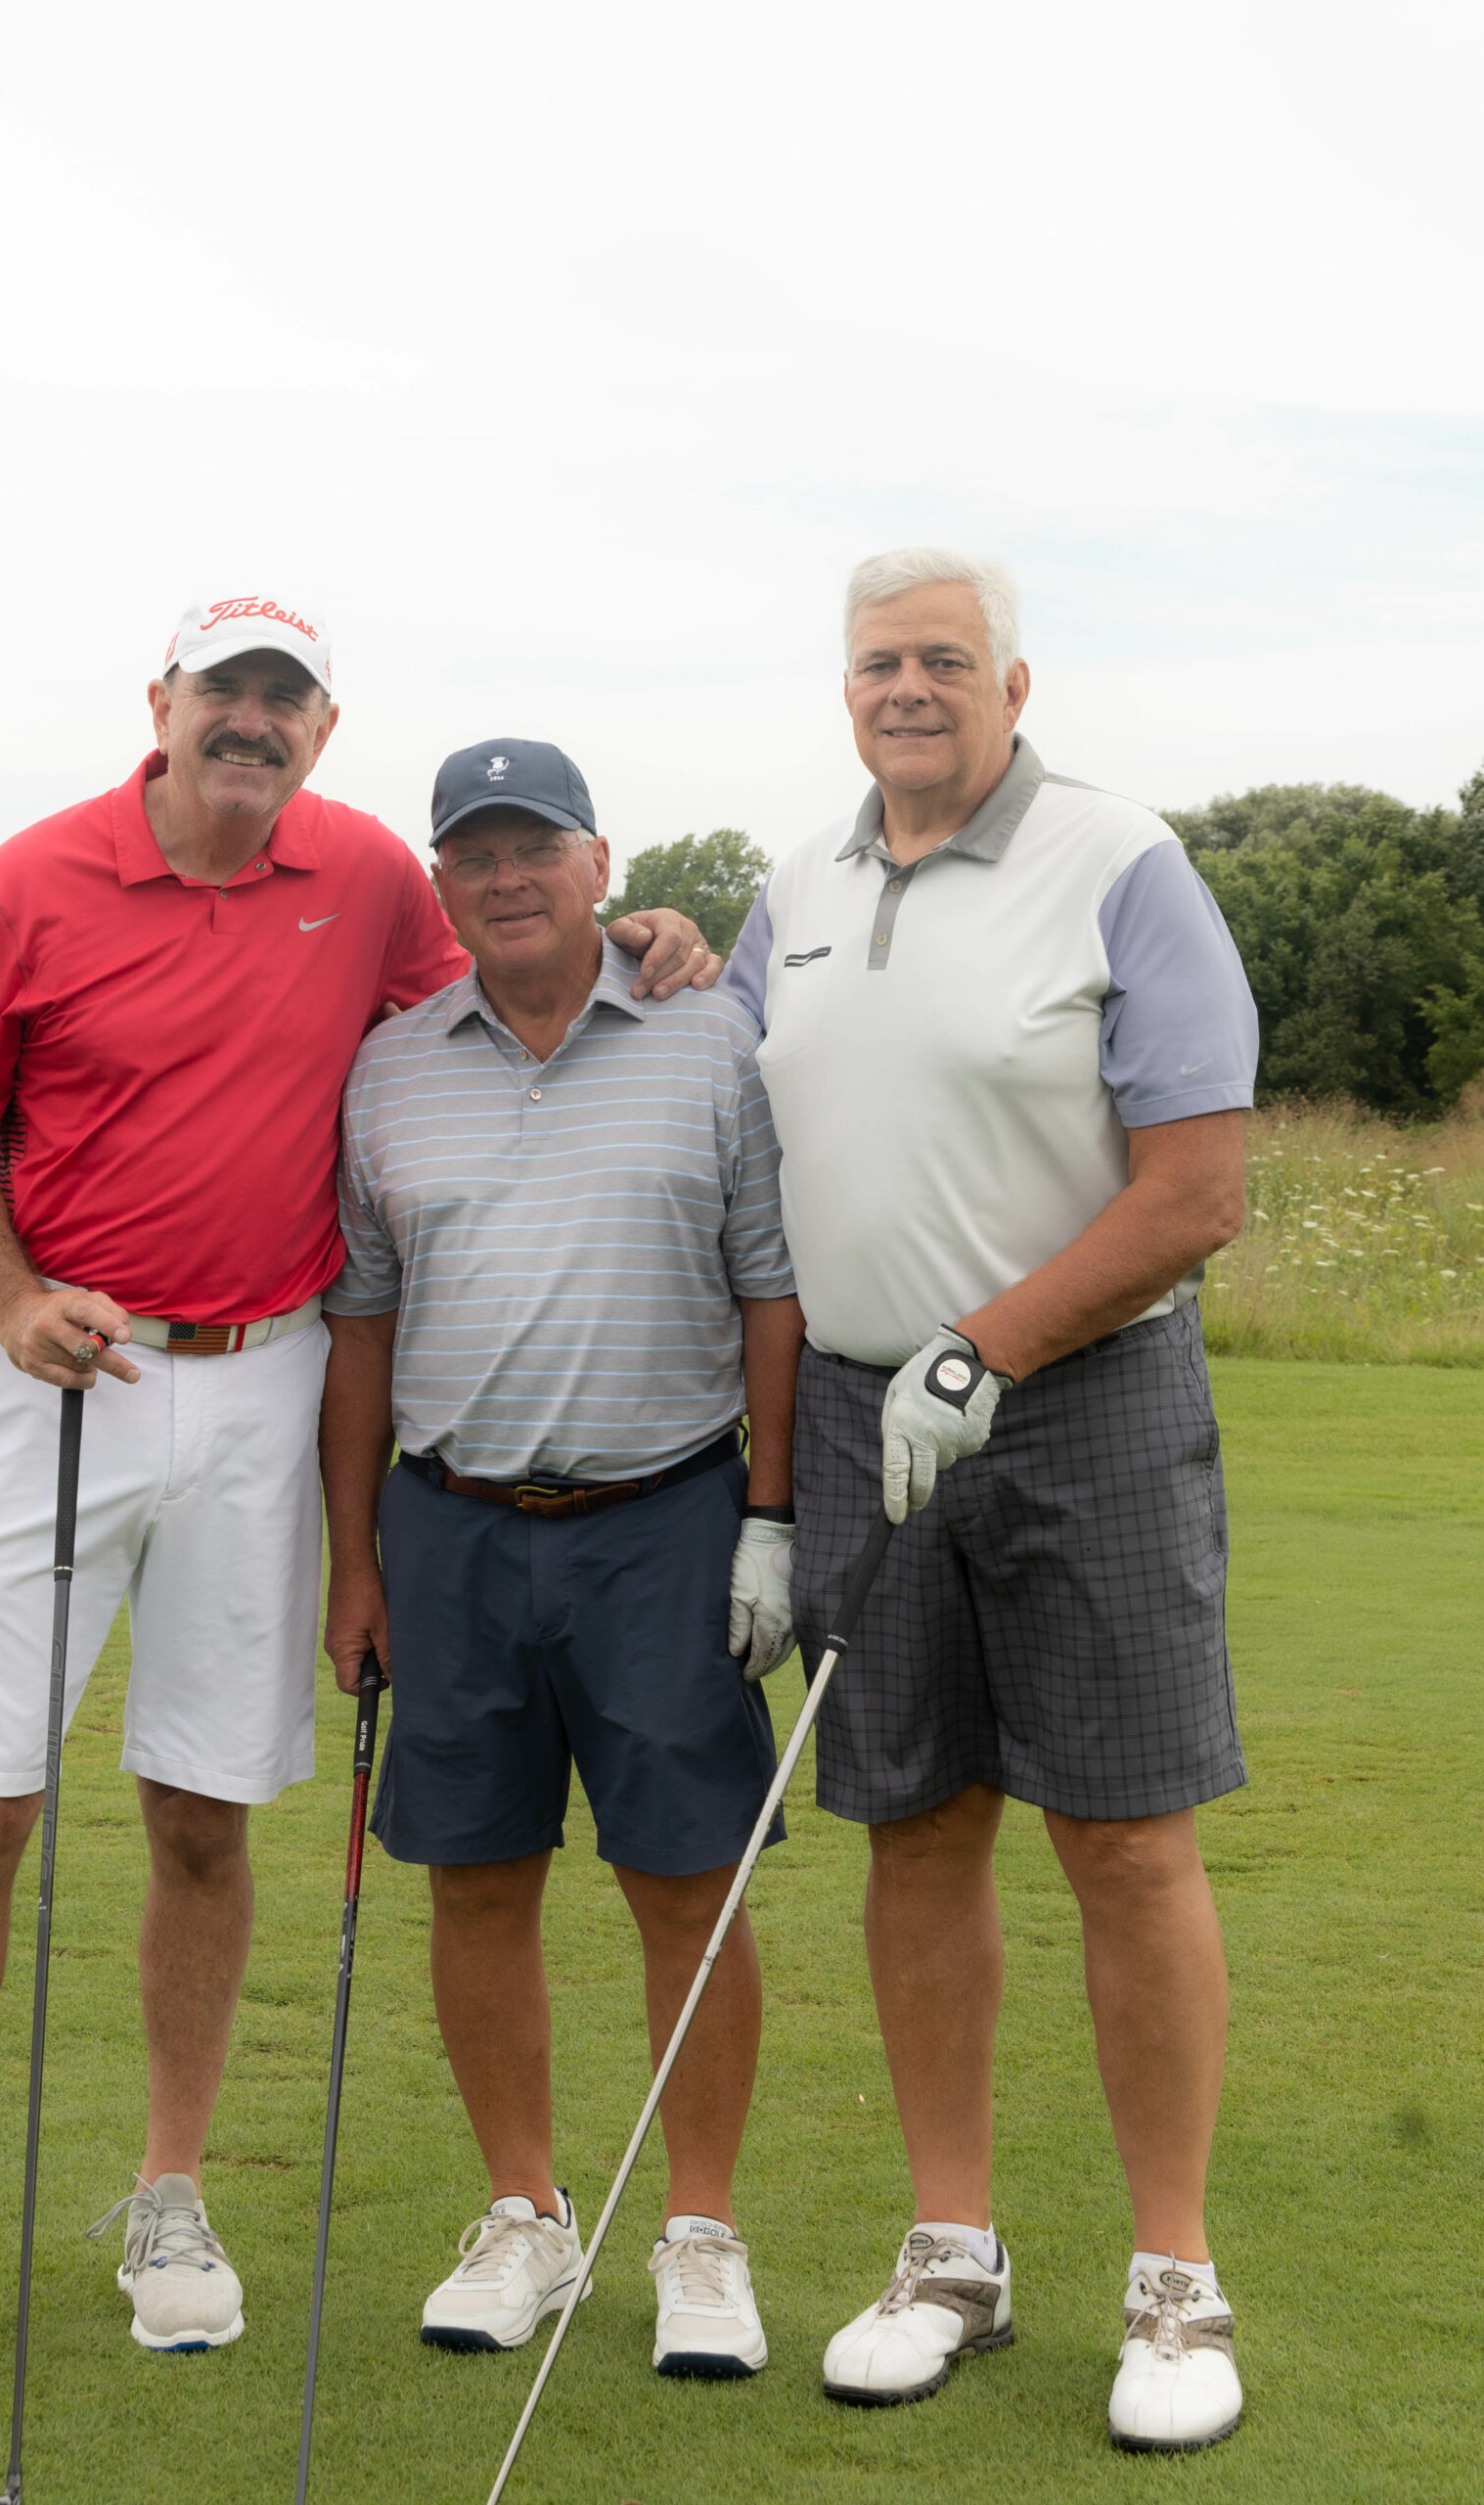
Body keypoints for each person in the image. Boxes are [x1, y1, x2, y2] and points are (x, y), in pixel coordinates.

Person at [0, 601, 717, 2400]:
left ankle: (171, 2196)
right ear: (161, 705)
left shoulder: (374, 876)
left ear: (322, 729)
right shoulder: (31, 879)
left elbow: (503, 986)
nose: (250, 722)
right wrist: (9, 1298)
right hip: (55, 1372)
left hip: (267, 1384)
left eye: (282, 700)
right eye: (222, 692)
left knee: (203, 1813)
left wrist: (645, 937)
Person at [723, 548, 1258, 2453]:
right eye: (881, 660)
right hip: (860, 1410)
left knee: (1123, 1838)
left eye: (947, 659)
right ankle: (951, 2251)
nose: (910, 687)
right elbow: (734, 1112)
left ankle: (1174, 2279)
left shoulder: (1120, 861)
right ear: (844, 687)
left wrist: (993, 1345)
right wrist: (656, 952)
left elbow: (1195, 1188)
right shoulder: (792, 888)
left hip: (1081, 1403)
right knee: (917, 1826)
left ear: (1012, 686)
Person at [320, 738, 805, 2379]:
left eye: (537, 847)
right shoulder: (390, 1067)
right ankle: (524, 2214)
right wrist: (355, 1563)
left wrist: (770, 1518)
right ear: (440, 883)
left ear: (602, 864)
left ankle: (701, 2232)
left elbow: (771, 1291)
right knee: (476, 1876)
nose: (507, 878)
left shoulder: (712, 1037)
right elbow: (363, 1329)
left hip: (665, 1521)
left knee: (685, 1882)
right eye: (475, 854)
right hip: (451, 1525)